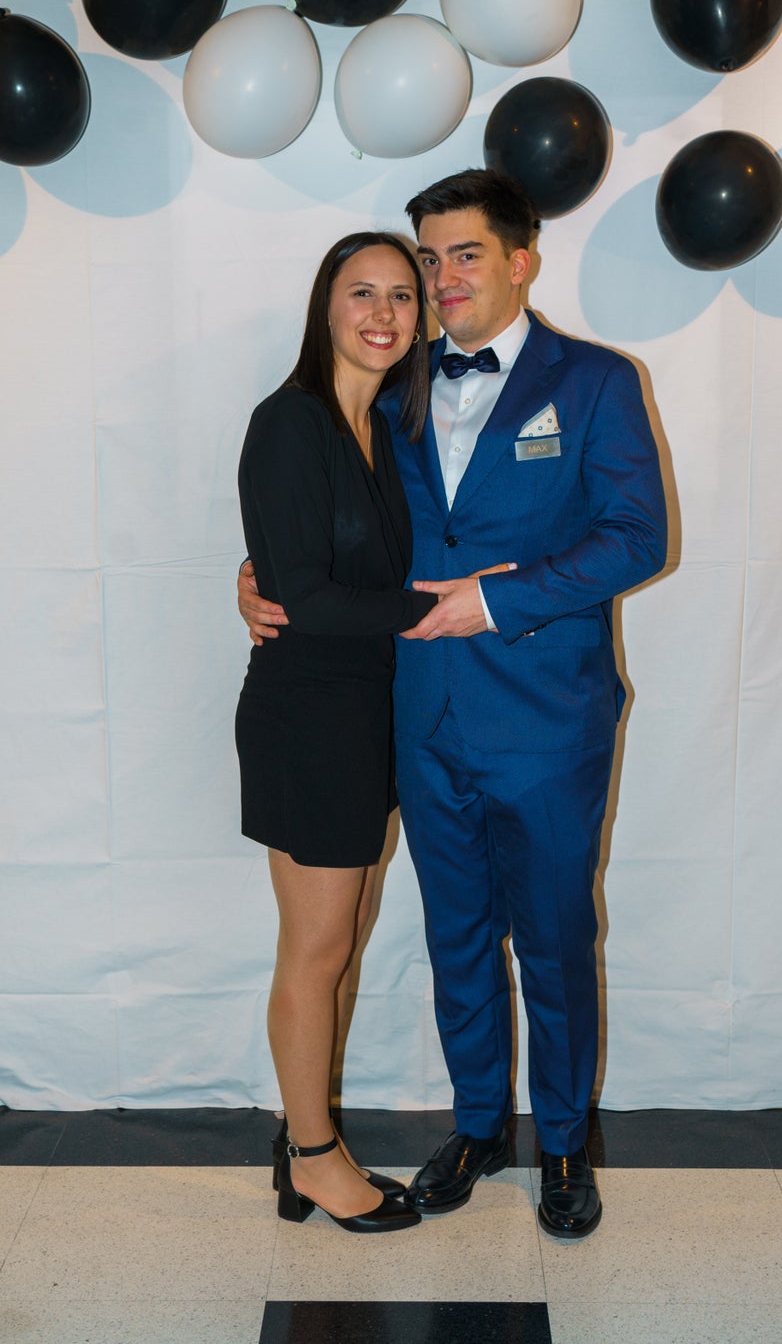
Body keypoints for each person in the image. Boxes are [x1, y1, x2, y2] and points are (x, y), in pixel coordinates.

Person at [239, 171, 668, 1240]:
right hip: (416, 718)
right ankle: (479, 1125)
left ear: (521, 261)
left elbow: (637, 536)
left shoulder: (597, 381)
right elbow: (329, 513)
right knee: (459, 937)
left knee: (556, 939)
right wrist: (257, 575)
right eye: (428, 259)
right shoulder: (393, 383)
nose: (440, 280)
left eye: (463, 254)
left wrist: (497, 599)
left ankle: (561, 1142)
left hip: (546, 720)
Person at [234, 232, 436, 1234]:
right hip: (308, 716)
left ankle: (305, 1133)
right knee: (316, 950)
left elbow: (306, 562)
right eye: (362, 292)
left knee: (343, 944)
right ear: (326, 307)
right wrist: (439, 609)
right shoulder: (292, 421)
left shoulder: (386, 429)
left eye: (402, 295)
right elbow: (307, 596)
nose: (383, 314)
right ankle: (315, 1158)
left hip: (367, 714)